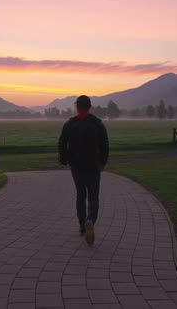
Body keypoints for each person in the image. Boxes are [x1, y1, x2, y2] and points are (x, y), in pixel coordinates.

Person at [58, 95, 109, 245]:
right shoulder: (97, 124)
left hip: (76, 166)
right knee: (93, 197)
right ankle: (90, 220)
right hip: (93, 166)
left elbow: (62, 143)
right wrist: (102, 163)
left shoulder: (70, 124)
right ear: (90, 106)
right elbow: (105, 145)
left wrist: (64, 159)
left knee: (80, 195)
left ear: (77, 107)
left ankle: (82, 226)